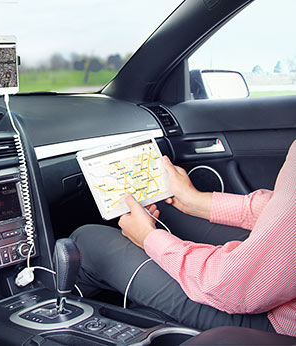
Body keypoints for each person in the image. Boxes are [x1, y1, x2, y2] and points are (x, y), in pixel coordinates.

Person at [71, 140, 296, 336]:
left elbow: (230, 286)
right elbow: (284, 208)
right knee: (165, 209)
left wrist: (148, 237)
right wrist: (194, 201)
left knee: (88, 241)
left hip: (275, 325)